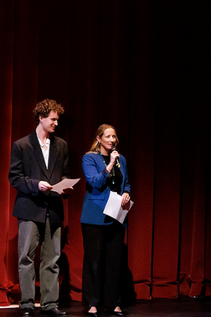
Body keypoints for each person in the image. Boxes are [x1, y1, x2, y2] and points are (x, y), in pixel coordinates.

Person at [10, 99, 71, 316]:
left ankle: (49, 304)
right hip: (30, 207)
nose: (56, 123)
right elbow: (14, 178)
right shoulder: (22, 145)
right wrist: (36, 185)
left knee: (52, 258)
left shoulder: (61, 145)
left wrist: (65, 185)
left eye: (57, 119)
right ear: (41, 118)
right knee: (26, 256)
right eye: (53, 119)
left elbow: (63, 173)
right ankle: (26, 303)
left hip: (53, 209)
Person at [80, 125, 131, 316]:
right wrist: (109, 165)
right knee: (94, 260)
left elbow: (126, 181)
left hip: (116, 215)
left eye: (114, 137)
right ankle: (93, 303)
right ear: (99, 139)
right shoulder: (89, 158)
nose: (112, 140)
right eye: (108, 137)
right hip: (95, 216)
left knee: (115, 261)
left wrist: (126, 192)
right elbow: (95, 182)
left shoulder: (121, 159)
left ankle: (114, 302)